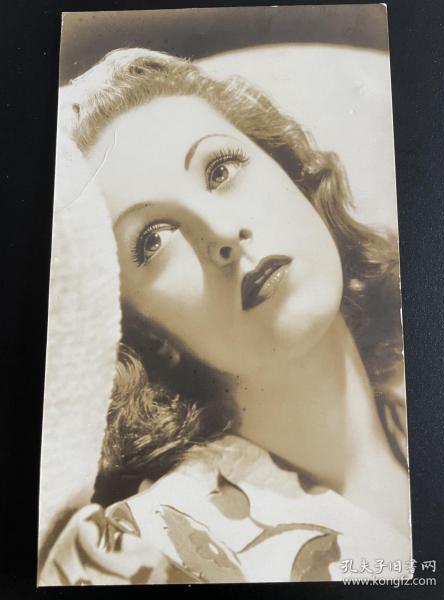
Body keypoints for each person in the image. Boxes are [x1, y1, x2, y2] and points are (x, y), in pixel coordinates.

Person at [38, 48, 410, 585]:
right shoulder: (147, 549)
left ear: (293, 175)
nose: (222, 233)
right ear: (140, 331)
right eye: (154, 239)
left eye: (220, 170)